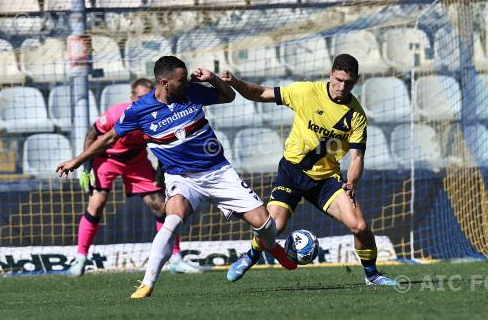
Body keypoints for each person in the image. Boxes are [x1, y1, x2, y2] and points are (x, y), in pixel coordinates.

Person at [56, 56, 297, 299]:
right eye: (181, 79)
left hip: (218, 172)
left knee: (267, 226)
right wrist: (77, 160)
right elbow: (109, 137)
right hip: (182, 178)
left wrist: (213, 79)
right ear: (164, 83)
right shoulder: (139, 111)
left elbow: (229, 97)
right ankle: (147, 283)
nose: (187, 81)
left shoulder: (193, 91)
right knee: (172, 218)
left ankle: (265, 245)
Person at [220, 54, 397, 286]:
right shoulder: (307, 92)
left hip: (326, 180)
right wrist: (235, 83)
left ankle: (372, 275)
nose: (342, 87)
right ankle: (251, 256)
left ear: (356, 81)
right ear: (330, 74)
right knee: (273, 227)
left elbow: (357, 157)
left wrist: (351, 182)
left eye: (349, 82)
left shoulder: (357, 115)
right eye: (338, 80)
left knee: (360, 226)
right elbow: (261, 93)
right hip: (292, 172)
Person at [68, 78, 209, 277]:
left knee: (161, 206)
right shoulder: (116, 114)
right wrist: (86, 167)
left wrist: (162, 170)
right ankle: (80, 257)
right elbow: (92, 135)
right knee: (97, 202)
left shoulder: (158, 115)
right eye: (141, 97)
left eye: (149, 95)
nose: (146, 100)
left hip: (136, 162)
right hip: (106, 159)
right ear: (132, 97)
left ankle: (176, 259)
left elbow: (165, 143)